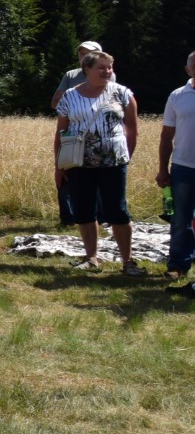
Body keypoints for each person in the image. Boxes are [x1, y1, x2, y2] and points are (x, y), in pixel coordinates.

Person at [55, 51, 144, 276]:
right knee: (84, 210)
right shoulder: (69, 97)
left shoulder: (123, 94)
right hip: (78, 163)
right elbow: (61, 132)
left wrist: (126, 156)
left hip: (113, 164)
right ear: (87, 69)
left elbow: (132, 130)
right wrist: (58, 166)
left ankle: (128, 262)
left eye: (109, 67)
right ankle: (91, 258)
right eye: (101, 67)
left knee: (118, 211)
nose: (107, 71)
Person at [51, 40, 107, 226]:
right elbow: (55, 103)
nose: (83, 57)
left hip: (97, 136)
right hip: (72, 136)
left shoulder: (107, 74)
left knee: (99, 178)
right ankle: (68, 219)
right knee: (66, 174)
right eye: (81, 54)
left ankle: (101, 218)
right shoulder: (71, 75)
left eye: (88, 53)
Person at [159, 51, 195, 286]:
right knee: (181, 219)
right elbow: (166, 136)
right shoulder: (177, 96)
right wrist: (163, 169)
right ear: (188, 70)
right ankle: (178, 265)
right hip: (183, 167)